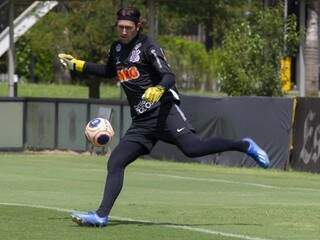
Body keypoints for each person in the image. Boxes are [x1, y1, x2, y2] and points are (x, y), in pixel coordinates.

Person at [58, 7, 270, 227]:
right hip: (141, 121)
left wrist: (158, 89)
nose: (123, 31)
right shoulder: (117, 48)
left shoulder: (148, 47)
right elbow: (109, 71)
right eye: (120, 27)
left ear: (138, 26)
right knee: (116, 161)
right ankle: (101, 215)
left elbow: (169, 75)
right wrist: (78, 64)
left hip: (164, 112)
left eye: (128, 27)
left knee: (193, 148)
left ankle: (244, 145)